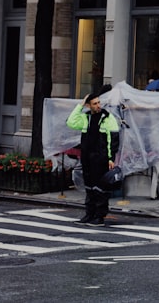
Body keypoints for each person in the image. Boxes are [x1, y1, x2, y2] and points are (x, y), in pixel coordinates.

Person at [67, 87, 120, 225]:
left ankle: (99, 216)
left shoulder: (108, 118)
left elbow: (113, 140)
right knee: (89, 187)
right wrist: (80, 105)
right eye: (94, 103)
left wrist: (111, 159)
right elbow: (71, 122)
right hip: (87, 158)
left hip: (101, 159)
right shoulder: (86, 118)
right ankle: (89, 214)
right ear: (88, 105)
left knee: (100, 188)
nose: (98, 105)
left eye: (98, 103)